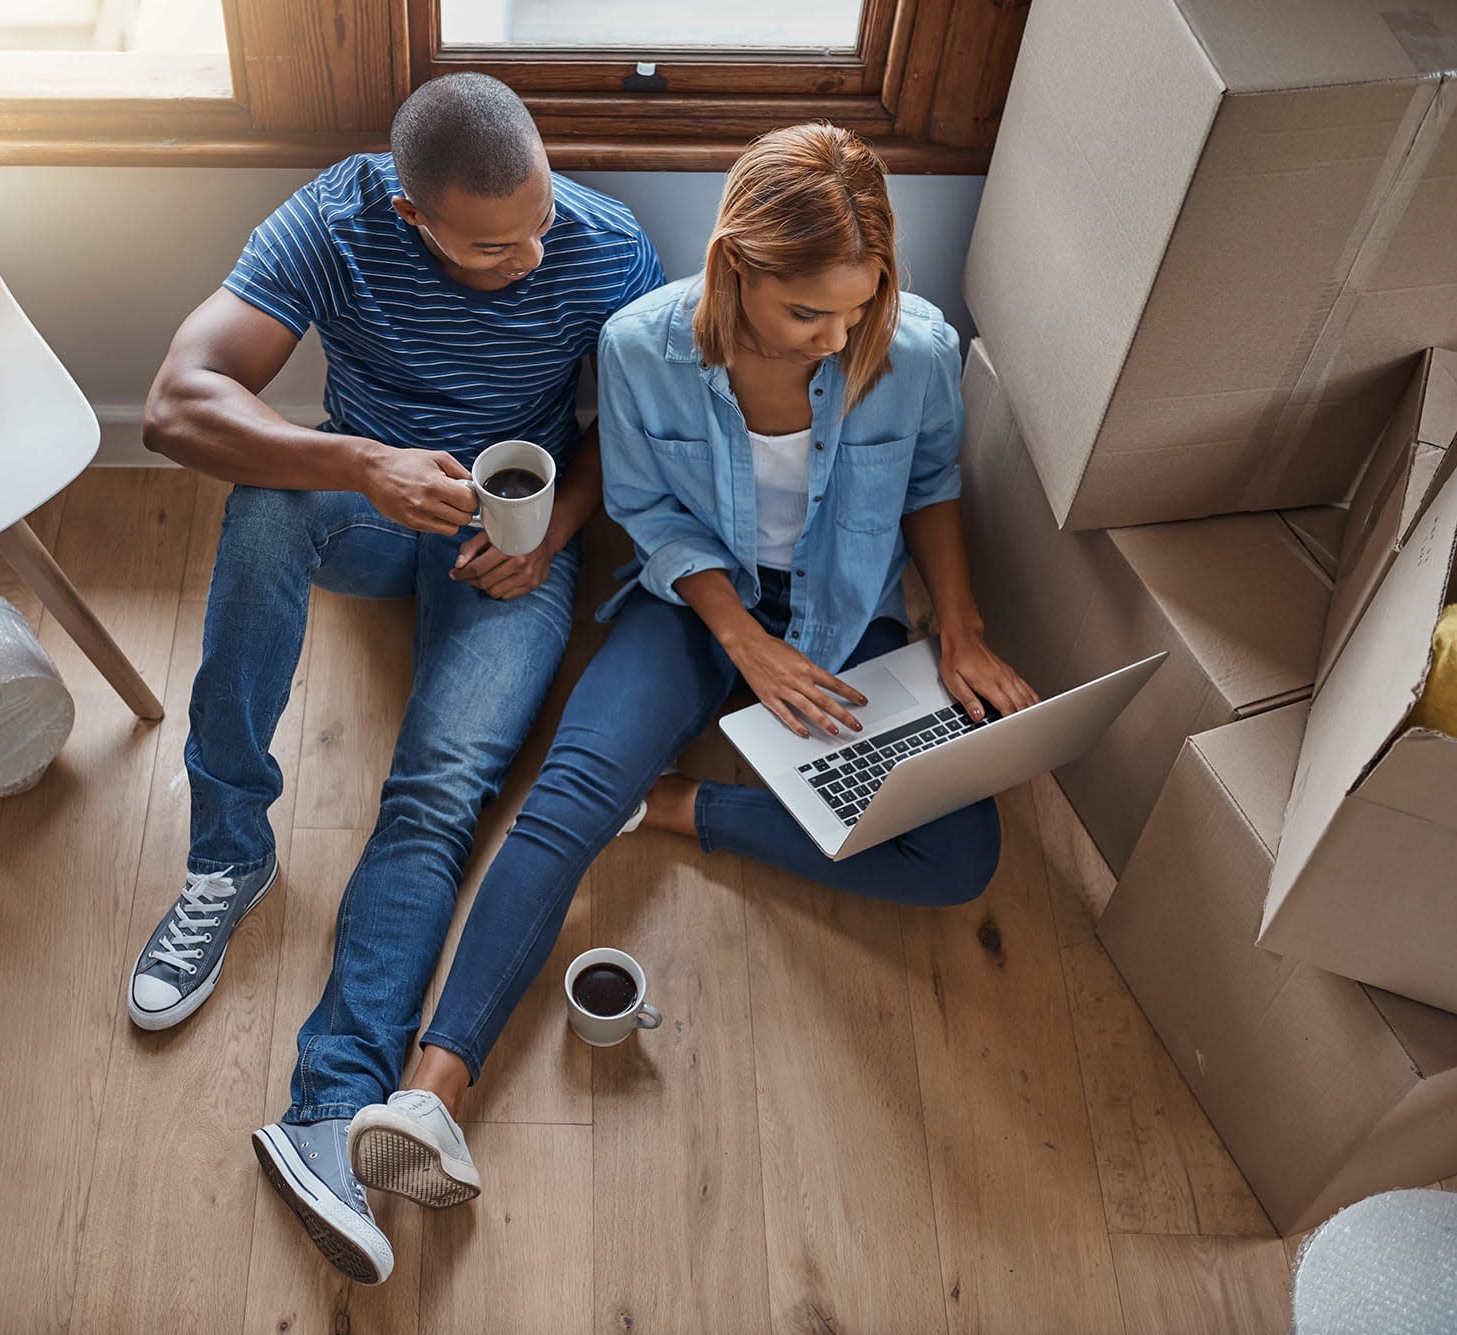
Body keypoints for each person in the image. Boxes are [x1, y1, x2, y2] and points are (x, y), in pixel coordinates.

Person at [340, 123, 1041, 1216]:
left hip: (845, 609)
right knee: (565, 796)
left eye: (857, 306)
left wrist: (957, 627)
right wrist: (739, 639)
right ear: (735, 268)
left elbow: (933, 481)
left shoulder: (914, 350)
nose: (835, 335)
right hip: (691, 604)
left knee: (955, 854)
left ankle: (672, 809)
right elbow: (645, 511)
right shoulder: (637, 345)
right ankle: (431, 1093)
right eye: (808, 311)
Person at [128, 73, 665, 1284]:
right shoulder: (334, 222)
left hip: (508, 555)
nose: (529, 258)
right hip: (372, 513)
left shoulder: (601, 246)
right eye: (491, 242)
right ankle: (228, 852)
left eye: (537, 223)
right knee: (267, 504)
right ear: (411, 214)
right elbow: (173, 405)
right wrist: (363, 465)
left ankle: (325, 1110)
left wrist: (557, 534)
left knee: (434, 796)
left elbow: (636, 431)